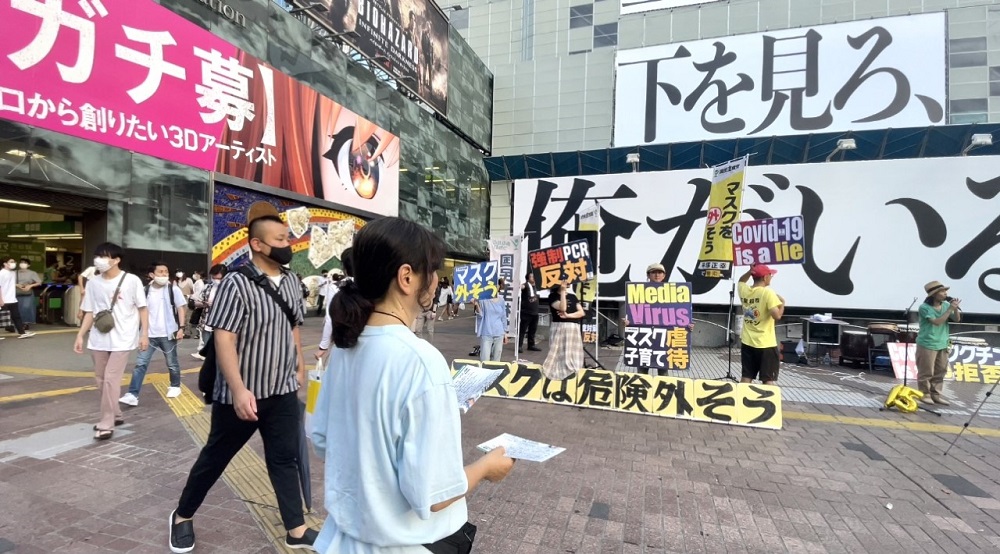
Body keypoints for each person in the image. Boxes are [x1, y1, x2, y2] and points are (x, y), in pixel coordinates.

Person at [309, 216, 515, 553]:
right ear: (407, 277)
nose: (435, 281)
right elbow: (435, 493)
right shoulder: (421, 361)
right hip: (400, 543)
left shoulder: (344, 349)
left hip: (340, 540)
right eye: (431, 271)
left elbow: (321, 439)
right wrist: (486, 468)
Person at [170, 214, 317, 553]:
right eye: (279, 239)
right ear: (257, 244)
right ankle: (182, 516)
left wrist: (300, 365)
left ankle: (295, 530)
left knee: (284, 458)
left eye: (287, 238)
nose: (287, 245)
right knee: (216, 458)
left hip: (280, 390)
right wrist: (237, 389)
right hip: (242, 394)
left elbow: (294, 326)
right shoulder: (235, 284)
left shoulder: (293, 281)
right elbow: (224, 339)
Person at [73, 243, 149, 440]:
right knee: (100, 379)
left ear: (116, 260)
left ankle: (107, 422)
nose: (99, 260)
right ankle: (115, 413)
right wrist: (81, 334)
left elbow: (142, 309)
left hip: (123, 339)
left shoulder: (131, 281)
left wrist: (144, 334)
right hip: (99, 338)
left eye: (104, 256)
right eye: (97, 256)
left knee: (110, 380)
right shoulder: (93, 282)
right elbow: (90, 311)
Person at [119, 262, 186, 406]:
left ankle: (175, 386)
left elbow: (181, 309)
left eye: (166, 272)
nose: (164, 274)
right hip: (148, 334)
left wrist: (181, 328)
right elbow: (140, 311)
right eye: (160, 272)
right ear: (152, 275)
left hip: (168, 333)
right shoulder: (145, 290)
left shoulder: (173, 289)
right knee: (140, 363)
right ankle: (132, 393)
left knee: (172, 363)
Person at [737, 264, 785, 385]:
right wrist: (782, 303)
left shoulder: (744, 290)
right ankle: (767, 404)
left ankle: (741, 401)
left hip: (747, 341)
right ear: (765, 277)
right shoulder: (768, 293)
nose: (771, 277)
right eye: (770, 275)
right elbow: (777, 316)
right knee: (768, 379)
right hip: (766, 343)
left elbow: (741, 281)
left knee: (746, 377)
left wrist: (749, 271)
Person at [916, 280, 961, 406]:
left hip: (943, 342)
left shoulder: (946, 305)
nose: (945, 293)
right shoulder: (924, 307)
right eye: (942, 291)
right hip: (927, 343)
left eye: (945, 291)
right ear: (934, 294)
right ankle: (924, 394)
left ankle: (936, 395)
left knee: (941, 370)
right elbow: (937, 322)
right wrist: (949, 309)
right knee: (926, 371)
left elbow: (956, 319)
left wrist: (955, 309)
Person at [541, 279, 586, 380]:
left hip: (573, 327)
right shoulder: (552, 297)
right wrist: (562, 292)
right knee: (558, 351)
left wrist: (568, 315)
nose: (567, 283)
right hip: (560, 327)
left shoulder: (573, 296)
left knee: (573, 351)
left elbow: (581, 312)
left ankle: (574, 371)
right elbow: (563, 308)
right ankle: (557, 373)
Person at [316, 249, 353, 362]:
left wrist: (323, 346)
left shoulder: (336, 287)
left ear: (345, 268)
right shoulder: (374, 287)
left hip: (344, 343)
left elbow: (331, 318)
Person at [473, 278, 509, 362]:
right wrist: (476, 305)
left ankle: (495, 374)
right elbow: (480, 315)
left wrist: (505, 333)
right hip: (486, 332)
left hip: (499, 332)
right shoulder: (484, 299)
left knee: (497, 359)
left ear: (500, 286)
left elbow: (503, 316)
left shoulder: (501, 300)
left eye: (497, 285)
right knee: (485, 359)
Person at [0, 257, 35, 338]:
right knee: (2, 317)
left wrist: (17, 285)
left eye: (14, 261)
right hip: (3, 299)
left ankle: (22, 333)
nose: (14, 263)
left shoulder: (12, 273)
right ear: (5, 264)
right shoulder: (1, 273)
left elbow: (9, 284)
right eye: (11, 262)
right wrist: (1, 300)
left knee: (16, 316)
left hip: (12, 299)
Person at [16, 258, 42, 329]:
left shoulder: (32, 273)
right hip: (17, 292)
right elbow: (9, 282)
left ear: (28, 265)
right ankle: (17, 323)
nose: (22, 264)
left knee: (26, 307)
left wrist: (30, 285)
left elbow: (39, 282)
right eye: (21, 262)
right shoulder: (15, 272)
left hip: (28, 292)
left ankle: (25, 323)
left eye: (24, 263)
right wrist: (16, 285)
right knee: (17, 307)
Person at [519, 272, 541, 352]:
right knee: (522, 330)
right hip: (526, 312)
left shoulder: (536, 286)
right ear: (528, 278)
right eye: (531, 276)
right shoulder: (526, 285)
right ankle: (519, 346)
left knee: (532, 330)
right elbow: (522, 287)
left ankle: (531, 345)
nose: (533, 278)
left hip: (535, 312)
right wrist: (520, 286)